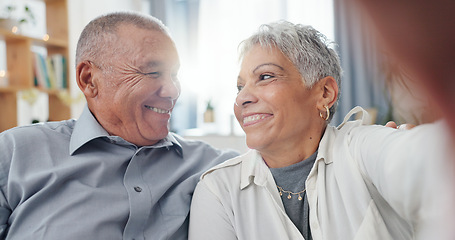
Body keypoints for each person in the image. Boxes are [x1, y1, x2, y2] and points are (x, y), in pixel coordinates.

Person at [188, 21, 455, 240]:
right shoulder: (218, 190)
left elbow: (431, 162)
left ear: (324, 93)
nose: (242, 98)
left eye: (265, 76)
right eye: (239, 87)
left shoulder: (361, 148)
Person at [0, 12, 238, 239]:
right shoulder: (14, 153)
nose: (173, 90)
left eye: (174, 75)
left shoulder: (213, 166)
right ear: (89, 79)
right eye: (153, 72)